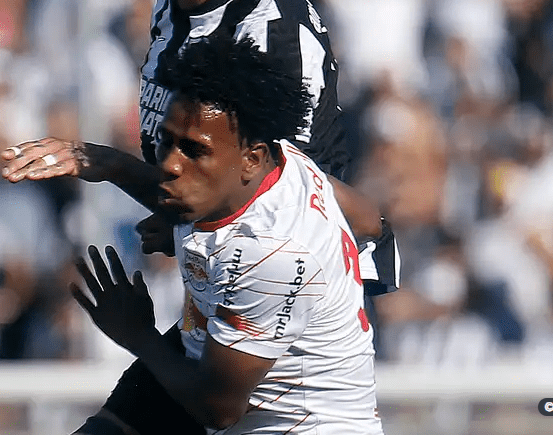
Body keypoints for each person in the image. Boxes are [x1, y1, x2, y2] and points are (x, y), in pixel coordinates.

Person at [1, 0, 398, 435]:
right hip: (219, 287)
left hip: (282, 323)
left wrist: (124, 179)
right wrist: (147, 193)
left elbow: (276, 206)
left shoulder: (274, 37)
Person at [71, 35, 383, 434]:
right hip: (203, 363)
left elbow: (218, 408)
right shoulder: (283, 161)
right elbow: (369, 219)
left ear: (251, 159)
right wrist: (114, 166)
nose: (170, 165)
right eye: (167, 141)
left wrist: (137, 334)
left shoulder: (271, 254)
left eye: (193, 150)